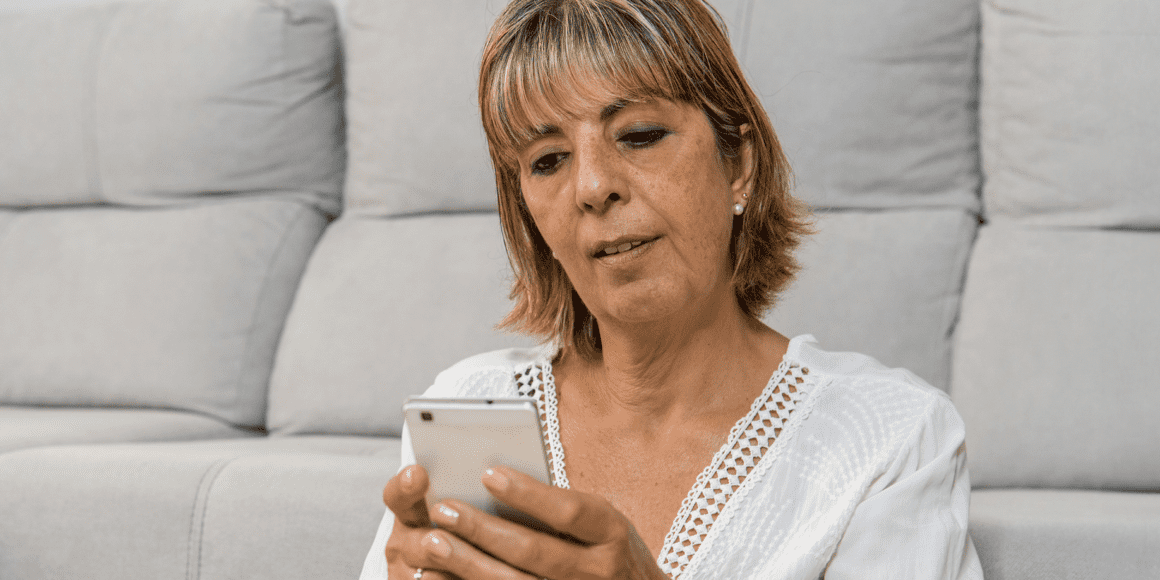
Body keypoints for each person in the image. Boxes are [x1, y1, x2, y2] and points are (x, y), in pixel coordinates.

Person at [359, 0, 982, 577]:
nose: (592, 186)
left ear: (737, 164)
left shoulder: (890, 439)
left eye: (639, 135)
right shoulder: (472, 406)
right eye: (548, 160)